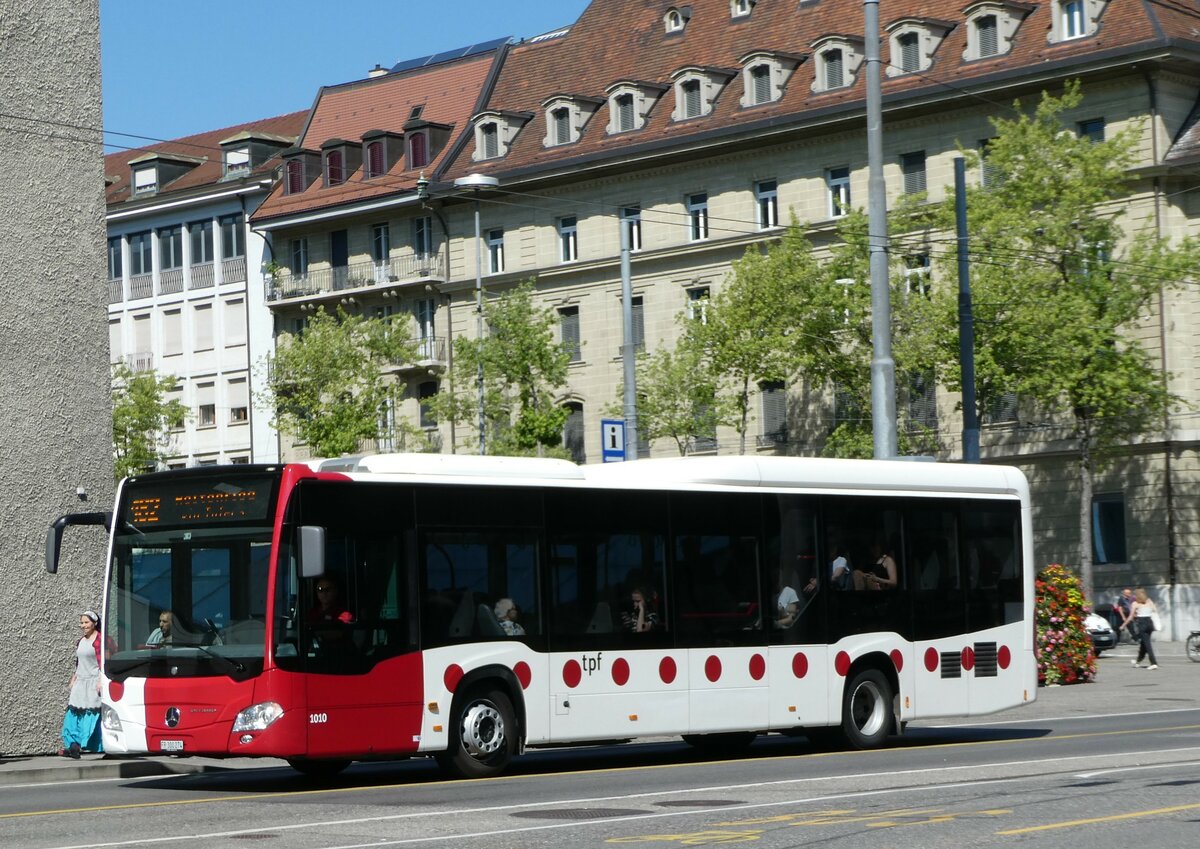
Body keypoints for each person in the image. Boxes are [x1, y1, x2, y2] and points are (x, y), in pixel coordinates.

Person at [61, 611, 107, 759]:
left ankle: (99, 745)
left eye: (86, 622)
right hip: (81, 681)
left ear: (94, 623)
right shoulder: (81, 641)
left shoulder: (100, 641)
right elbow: (79, 662)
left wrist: (101, 680)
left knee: (91, 713)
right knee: (73, 712)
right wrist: (74, 677)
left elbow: (103, 663)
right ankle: (73, 745)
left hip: (93, 681)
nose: (83, 625)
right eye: (82, 623)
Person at [1130, 587, 1159, 670]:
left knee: (1147, 644)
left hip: (1142, 624)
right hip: (1150, 623)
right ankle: (1138, 661)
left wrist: (1123, 625)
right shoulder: (1149, 601)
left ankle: (1153, 663)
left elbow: (1131, 616)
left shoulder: (1135, 603)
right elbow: (1154, 610)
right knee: (1144, 643)